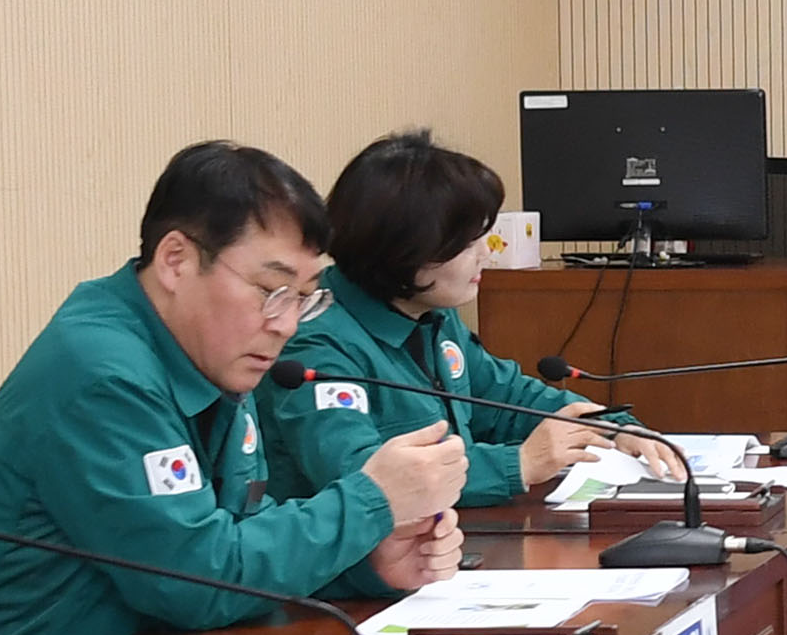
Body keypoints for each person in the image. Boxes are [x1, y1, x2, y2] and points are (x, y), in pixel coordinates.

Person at [0, 143, 466, 635]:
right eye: (271, 291)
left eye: (305, 300)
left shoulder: (211, 356)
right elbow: (197, 579)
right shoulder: (98, 372)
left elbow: (233, 530)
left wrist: (369, 562)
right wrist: (371, 501)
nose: (285, 324)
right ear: (176, 259)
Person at [271, 128, 678, 504]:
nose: (487, 253)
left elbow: (508, 400)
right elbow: (361, 478)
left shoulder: (428, 312)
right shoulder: (317, 345)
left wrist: (612, 426)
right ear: (406, 249)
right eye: (468, 244)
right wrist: (517, 465)